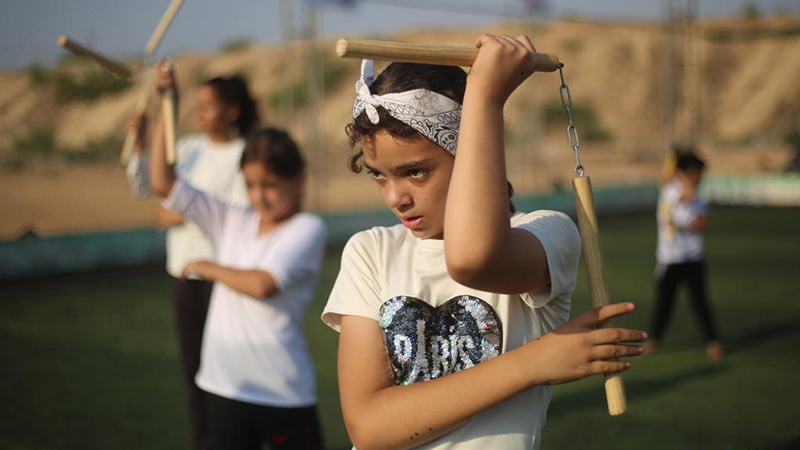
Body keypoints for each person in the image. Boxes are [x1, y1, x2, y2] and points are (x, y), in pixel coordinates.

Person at [321, 34, 646, 450]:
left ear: (471, 151)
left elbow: (471, 258)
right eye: (379, 174)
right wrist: (533, 363)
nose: (394, 197)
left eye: (416, 172)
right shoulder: (370, 251)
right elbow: (368, 427)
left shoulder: (548, 232)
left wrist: (485, 99)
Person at [148, 63, 328, 449]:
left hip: (281, 390)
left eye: (270, 185)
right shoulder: (232, 218)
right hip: (222, 384)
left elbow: (262, 283)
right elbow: (163, 182)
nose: (259, 196)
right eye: (249, 184)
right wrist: (167, 102)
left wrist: (208, 266)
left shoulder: (307, 228)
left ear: (297, 180)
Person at [125, 63, 259, 450]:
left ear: (232, 111)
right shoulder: (187, 149)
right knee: (194, 372)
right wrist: (143, 138)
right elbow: (146, 188)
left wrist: (177, 212)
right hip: (183, 277)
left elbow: (236, 213)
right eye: (195, 105)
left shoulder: (245, 153)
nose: (199, 114)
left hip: (223, 277)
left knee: (229, 369)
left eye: (208, 105)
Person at [645, 148, 724, 363]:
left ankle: (713, 342)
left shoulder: (698, 196)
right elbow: (678, 195)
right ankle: (654, 340)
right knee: (664, 304)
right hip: (670, 259)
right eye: (698, 172)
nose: (701, 177)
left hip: (694, 258)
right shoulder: (670, 192)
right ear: (689, 172)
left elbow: (700, 223)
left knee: (700, 303)